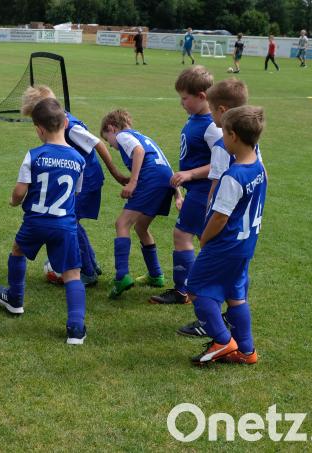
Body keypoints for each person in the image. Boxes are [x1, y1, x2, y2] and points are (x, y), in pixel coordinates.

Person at [0, 98, 88, 344]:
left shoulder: (34, 155)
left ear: (38, 129)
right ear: (66, 123)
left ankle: (15, 299)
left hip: (35, 222)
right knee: (72, 273)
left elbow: (19, 191)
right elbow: (75, 194)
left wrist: (14, 202)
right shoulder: (79, 160)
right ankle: (76, 328)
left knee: (17, 251)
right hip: (65, 226)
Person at [20, 85, 129, 286]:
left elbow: (98, 143)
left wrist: (115, 172)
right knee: (74, 221)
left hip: (86, 181)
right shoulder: (59, 122)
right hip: (79, 179)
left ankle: (86, 271)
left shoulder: (71, 127)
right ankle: (91, 263)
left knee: (70, 222)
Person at [187, 105, 267, 365]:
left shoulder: (233, 176)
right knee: (235, 295)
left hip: (224, 245)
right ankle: (246, 350)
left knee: (198, 290)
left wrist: (204, 238)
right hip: (245, 245)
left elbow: (220, 216)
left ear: (233, 136)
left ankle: (223, 340)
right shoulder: (259, 167)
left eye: (223, 133)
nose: (221, 139)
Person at [150, 66, 219, 305]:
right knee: (199, 239)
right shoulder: (196, 118)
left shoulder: (212, 126)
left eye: (185, 98)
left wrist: (190, 173)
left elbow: (221, 163)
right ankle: (192, 289)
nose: (182, 103)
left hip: (204, 190)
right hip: (196, 191)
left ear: (202, 96)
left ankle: (186, 290)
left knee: (185, 235)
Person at [100, 110, 181, 299]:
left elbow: (138, 151)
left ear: (112, 128)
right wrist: (177, 194)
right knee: (141, 227)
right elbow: (167, 167)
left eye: (108, 140)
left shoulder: (123, 136)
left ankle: (121, 276)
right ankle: (155, 275)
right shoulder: (143, 137)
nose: (112, 146)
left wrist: (133, 182)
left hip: (150, 180)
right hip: (165, 182)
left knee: (122, 224)